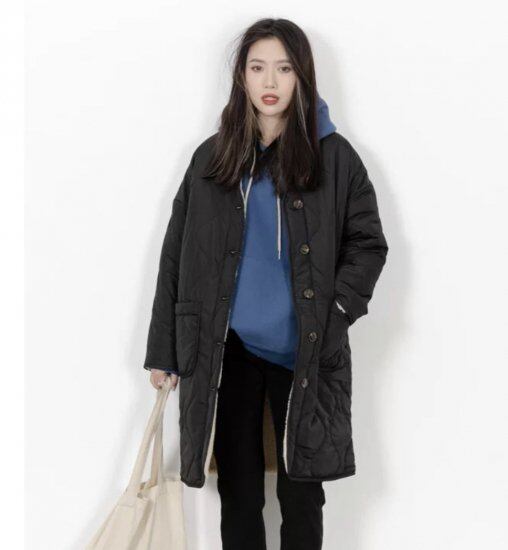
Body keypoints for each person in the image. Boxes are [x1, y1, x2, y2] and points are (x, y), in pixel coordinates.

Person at [144, 17, 388, 550]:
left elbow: (368, 244)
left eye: (284, 68)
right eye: (258, 68)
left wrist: (336, 312)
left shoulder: (335, 157)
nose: (270, 81)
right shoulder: (212, 158)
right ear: (242, 76)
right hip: (228, 351)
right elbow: (176, 257)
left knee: (303, 494)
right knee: (239, 491)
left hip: (305, 351)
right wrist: (164, 351)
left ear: (303, 76)